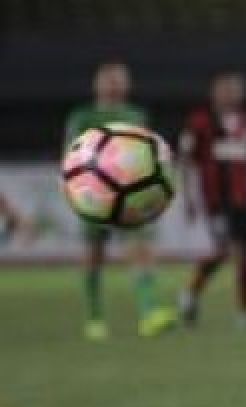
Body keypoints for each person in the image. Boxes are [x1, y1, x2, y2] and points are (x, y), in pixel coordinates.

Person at [64, 62, 176, 341]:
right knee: (94, 256)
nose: (114, 84)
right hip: (95, 194)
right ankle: (95, 318)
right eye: (108, 79)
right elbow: (71, 156)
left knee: (141, 250)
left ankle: (148, 314)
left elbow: (150, 154)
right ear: (97, 84)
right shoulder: (82, 117)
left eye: (119, 80)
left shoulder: (135, 115)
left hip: (132, 194)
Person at [177, 72, 246, 329]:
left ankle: (245, 313)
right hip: (217, 200)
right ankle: (190, 293)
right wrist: (188, 198)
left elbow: (245, 159)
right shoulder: (199, 122)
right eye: (224, 89)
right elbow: (185, 159)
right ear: (214, 93)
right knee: (223, 252)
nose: (230, 94)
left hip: (244, 200)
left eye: (235, 89)